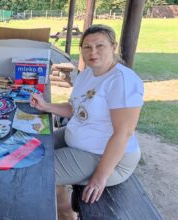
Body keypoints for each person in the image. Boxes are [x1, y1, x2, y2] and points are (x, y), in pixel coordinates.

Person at [31, 24, 144, 220]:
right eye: (87, 47)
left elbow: (123, 133)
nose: (93, 52)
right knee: (30, 146)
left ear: (113, 47)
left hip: (105, 157)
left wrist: (100, 177)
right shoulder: (87, 73)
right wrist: (46, 106)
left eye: (100, 45)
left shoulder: (122, 80)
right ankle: (64, 210)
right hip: (77, 139)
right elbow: (74, 108)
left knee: (37, 171)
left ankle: (64, 213)